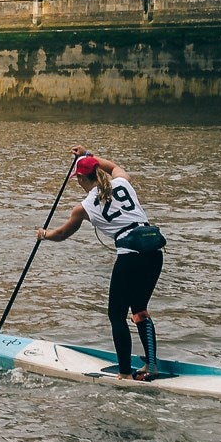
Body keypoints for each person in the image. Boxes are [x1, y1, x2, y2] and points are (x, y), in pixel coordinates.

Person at [38, 146, 166, 381]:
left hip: (130, 255)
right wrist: (89, 155)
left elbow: (62, 234)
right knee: (139, 309)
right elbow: (114, 167)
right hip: (155, 251)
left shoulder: (84, 207)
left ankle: (125, 374)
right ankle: (151, 364)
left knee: (116, 315)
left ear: (80, 179)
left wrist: (44, 235)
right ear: (99, 170)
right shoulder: (123, 182)